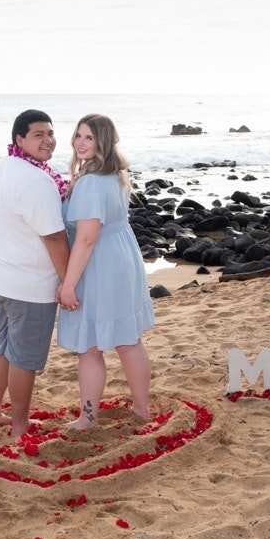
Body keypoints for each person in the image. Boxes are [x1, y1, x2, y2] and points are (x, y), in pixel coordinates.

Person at [56, 113, 154, 430]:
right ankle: (141, 408)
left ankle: (88, 418)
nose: (81, 143)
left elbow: (86, 239)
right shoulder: (115, 176)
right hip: (123, 259)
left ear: (103, 143)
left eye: (89, 137)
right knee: (128, 340)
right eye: (78, 136)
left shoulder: (91, 183)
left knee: (90, 346)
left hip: (98, 266)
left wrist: (68, 285)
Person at [0, 109, 70, 437]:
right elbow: (55, 237)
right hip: (26, 287)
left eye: (50, 132)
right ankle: (20, 424)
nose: (48, 140)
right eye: (38, 134)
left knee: (2, 345)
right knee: (24, 358)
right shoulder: (36, 180)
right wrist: (69, 281)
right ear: (20, 139)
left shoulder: (8, 165)